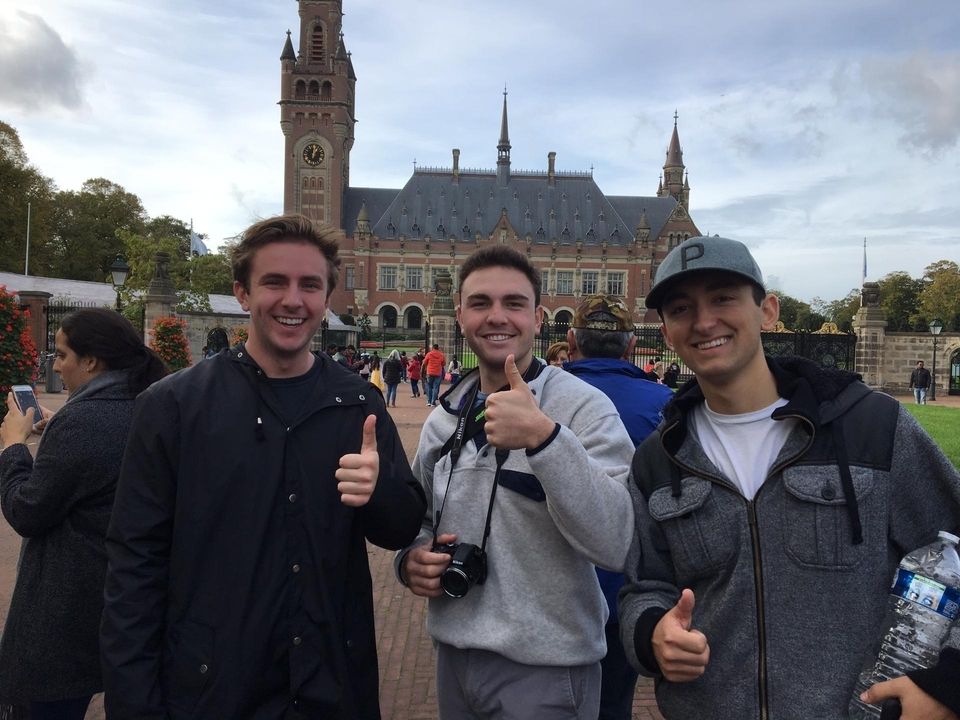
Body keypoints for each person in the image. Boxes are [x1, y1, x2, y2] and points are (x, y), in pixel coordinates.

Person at [617, 236, 960, 719]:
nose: (704, 321)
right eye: (680, 308)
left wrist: (947, 684)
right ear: (667, 333)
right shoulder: (659, 458)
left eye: (723, 298)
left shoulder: (871, 427)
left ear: (768, 311)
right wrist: (651, 632)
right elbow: (644, 585)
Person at [101, 214, 426, 719]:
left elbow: (401, 525)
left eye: (310, 285)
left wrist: (379, 487)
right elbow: (133, 567)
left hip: (331, 685)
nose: (293, 300)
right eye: (275, 282)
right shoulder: (175, 406)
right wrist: (135, 705)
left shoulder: (357, 402)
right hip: (217, 689)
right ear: (243, 294)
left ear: (326, 296)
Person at [395, 245, 636, 719]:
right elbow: (419, 519)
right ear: (459, 314)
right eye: (481, 303)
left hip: (547, 671)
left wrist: (545, 441)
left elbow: (617, 543)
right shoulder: (444, 418)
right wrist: (411, 561)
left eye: (514, 303)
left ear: (538, 316)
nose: (497, 317)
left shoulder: (583, 408)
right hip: (454, 658)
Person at [0, 309, 166, 719]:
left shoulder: (85, 420)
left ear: (91, 361)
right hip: (115, 595)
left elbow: (27, 510)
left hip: (64, 605)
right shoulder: (143, 402)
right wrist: (57, 430)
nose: (55, 366)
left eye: (61, 355)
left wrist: (13, 447)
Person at [564, 294, 674, 720]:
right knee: (612, 703)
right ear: (631, 346)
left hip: (549, 591)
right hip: (624, 585)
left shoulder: (532, 398)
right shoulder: (664, 404)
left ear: (570, 342)